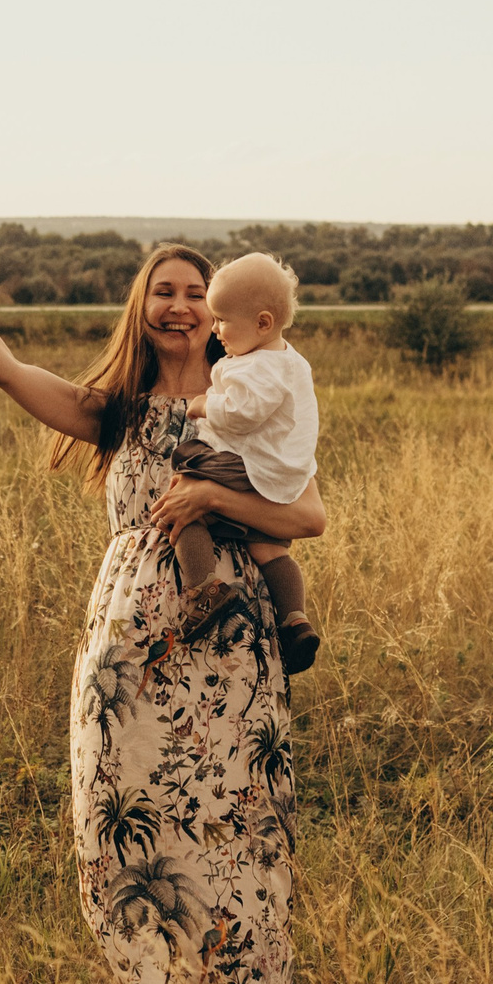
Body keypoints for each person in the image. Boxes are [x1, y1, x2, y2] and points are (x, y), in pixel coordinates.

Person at [0, 218, 326, 984]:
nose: (184, 305)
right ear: (142, 306)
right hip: (130, 653)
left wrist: (209, 500)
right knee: (124, 823)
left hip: (229, 649)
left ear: (226, 311)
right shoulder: (115, 409)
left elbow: (307, 516)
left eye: (199, 293)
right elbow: (7, 372)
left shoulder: (252, 396)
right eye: (167, 290)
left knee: (236, 821)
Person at [177, 251, 321, 672]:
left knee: (185, 497)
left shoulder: (255, 367)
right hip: (279, 473)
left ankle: (205, 589)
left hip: (245, 464)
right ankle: (295, 618)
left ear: (262, 323)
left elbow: (243, 413)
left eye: (222, 319)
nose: (215, 329)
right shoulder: (292, 361)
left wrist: (206, 405)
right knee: (268, 546)